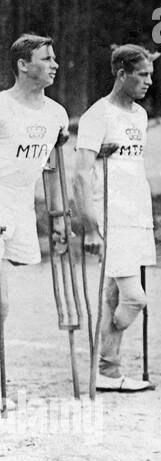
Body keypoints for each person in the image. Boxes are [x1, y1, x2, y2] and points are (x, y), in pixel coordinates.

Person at [74, 45, 158, 392]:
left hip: (137, 213)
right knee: (134, 298)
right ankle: (101, 365)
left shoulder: (139, 115)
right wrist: (91, 226)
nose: (149, 82)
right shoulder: (98, 115)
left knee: (114, 294)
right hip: (112, 215)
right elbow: (80, 174)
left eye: (151, 75)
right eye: (142, 74)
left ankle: (107, 370)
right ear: (121, 74)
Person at [2, 36, 71, 386]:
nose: (55, 64)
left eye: (55, 58)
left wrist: (59, 217)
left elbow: (52, 167)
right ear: (23, 65)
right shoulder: (1, 107)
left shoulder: (56, 114)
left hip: (22, 204)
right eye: (46, 58)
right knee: (1, 303)